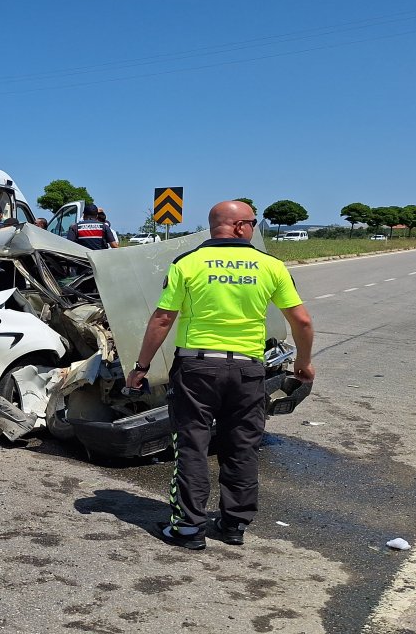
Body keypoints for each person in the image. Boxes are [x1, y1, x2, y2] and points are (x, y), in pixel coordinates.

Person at [125, 200, 314, 550]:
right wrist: (304, 362)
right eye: (253, 222)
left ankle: (188, 529)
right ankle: (233, 525)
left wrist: (141, 367)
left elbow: (163, 319)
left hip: (196, 369)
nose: (254, 227)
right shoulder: (271, 265)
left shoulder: (188, 262)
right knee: (242, 445)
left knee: (192, 445)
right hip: (247, 370)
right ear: (239, 226)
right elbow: (301, 321)